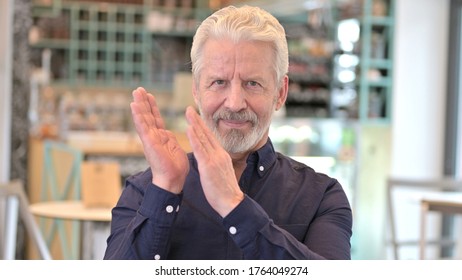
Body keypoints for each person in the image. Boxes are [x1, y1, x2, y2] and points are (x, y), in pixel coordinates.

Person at [104, 5, 352, 260]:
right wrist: (165, 188)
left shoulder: (321, 196)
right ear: (197, 90)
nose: (235, 103)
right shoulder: (145, 190)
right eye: (219, 82)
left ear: (280, 93)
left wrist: (233, 204)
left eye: (252, 84)